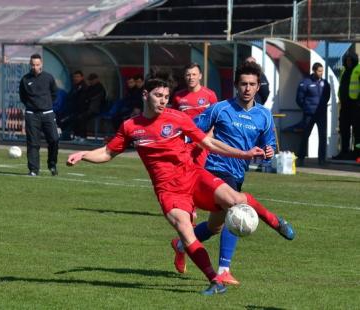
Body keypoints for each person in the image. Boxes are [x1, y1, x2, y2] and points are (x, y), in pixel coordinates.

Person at [66, 71, 295, 296]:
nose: (163, 101)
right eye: (158, 96)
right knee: (187, 233)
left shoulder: (177, 118)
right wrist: (84, 155)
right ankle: (216, 280)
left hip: (194, 177)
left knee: (235, 200)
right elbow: (107, 152)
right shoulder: (130, 127)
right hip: (168, 191)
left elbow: (209, 143)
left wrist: (243, 154)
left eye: (166, 97)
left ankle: (275, 222)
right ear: (145, 95)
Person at [170, 61, 277, 286]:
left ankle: (180, 246)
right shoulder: (220, 108)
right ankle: (224, 270)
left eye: (252, 84)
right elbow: (193, 130)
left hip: (237, 174)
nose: (247, 88)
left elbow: (270, 146)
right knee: (236, 209)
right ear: (236, 86)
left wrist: (269, 151)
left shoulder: (264, 116)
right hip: (214, 168)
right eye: (243, 84)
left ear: (258, 87)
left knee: (215, 227)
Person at [19, 53, 59, 176]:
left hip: (47, 113)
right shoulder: (25, 80)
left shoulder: (49, 78)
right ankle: (33, 170)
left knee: (54, 139)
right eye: (33, 65)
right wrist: (32, 107)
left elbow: (54, 94)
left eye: (37, 65)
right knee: (33, 143)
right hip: (32, 115)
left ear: (41, 64)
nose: (35, 67)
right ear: (30, 65)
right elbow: (23, 97)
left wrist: (45, 105)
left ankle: (52, 164)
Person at [172, 63, 218, 166]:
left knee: (201, 173)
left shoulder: (210, 95)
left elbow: (217, 121)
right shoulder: (177, 96)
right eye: (188, 75)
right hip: (184, 143)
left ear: (200, 76)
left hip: (203, 142)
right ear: (184, 76)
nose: (191, 77)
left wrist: (207, 139)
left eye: (194, 74)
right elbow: (174, 120)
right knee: (183, 172)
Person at [295, 63, 331, 166]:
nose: (321, 73)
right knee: (305, 135)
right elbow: (299, 99)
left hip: (321, 114)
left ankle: (322, 159)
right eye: (319, 71)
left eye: (322, 71)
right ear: (314, 71)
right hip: (309, 114)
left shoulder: (325, 83)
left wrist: (322, 106)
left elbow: (327, 96)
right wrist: (307, 107)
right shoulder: (305, 82)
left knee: (323, 136)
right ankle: (300, 158)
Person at [333, 52, 360, 160]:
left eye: (350, 60)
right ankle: (344, 152)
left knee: (357, 131)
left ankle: (357, 153)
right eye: (347, 60)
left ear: (354, 60)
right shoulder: (344, 70)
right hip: (345, 104)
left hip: (356, 105)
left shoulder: (358, 69)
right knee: (344, 129)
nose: (348, 62)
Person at [73, 73, 106, 142]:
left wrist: (87, 102)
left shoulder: (100, 88)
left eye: (92, 80)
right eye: (90, 80)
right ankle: (78, 135)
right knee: (77, 116)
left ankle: (83, 136)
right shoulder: (90, 87)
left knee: (82, 117)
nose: (90, 81)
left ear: (96, 79)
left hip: (95, 110)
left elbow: (94, 101)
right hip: (88, 109)